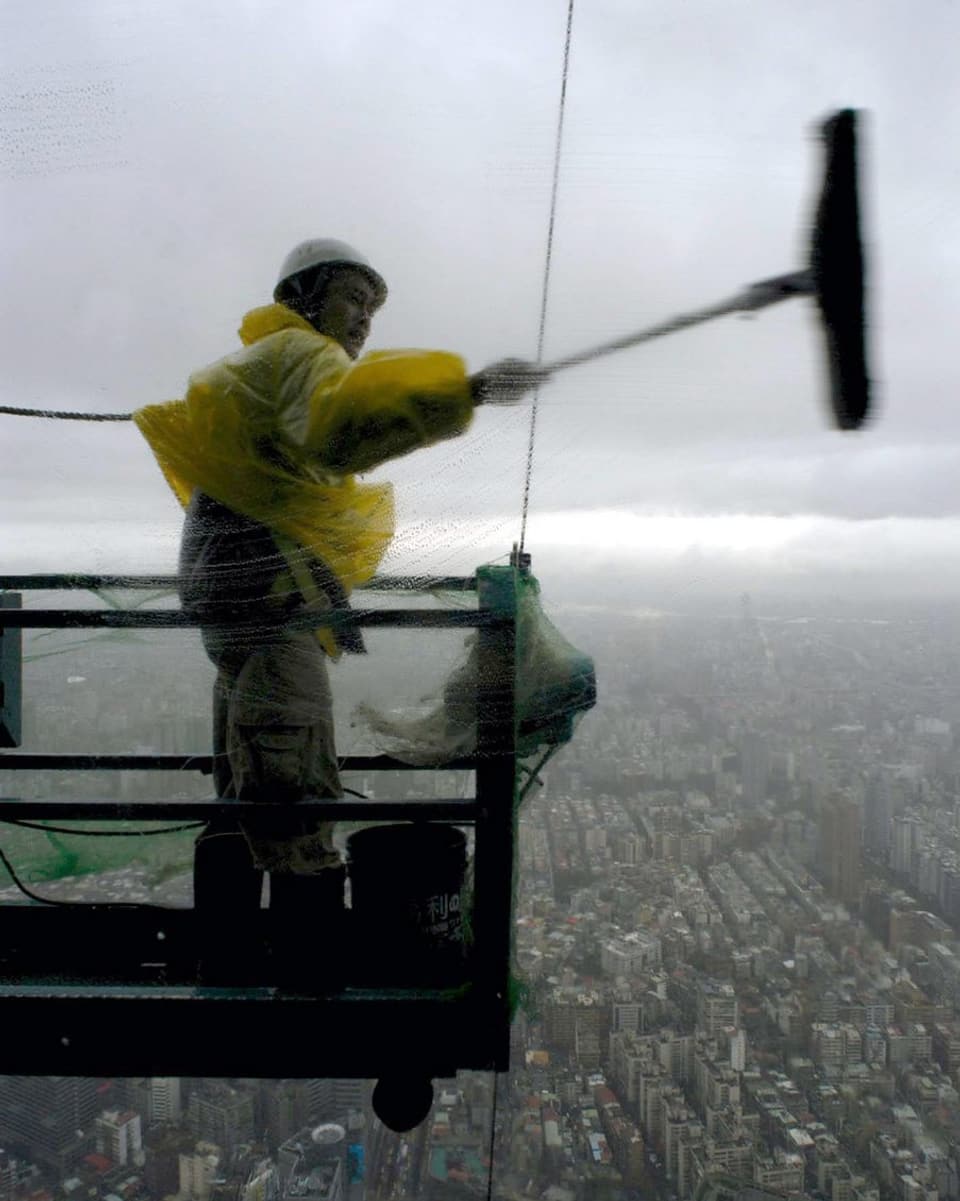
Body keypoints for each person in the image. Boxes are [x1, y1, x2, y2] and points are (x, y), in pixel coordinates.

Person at [133, 239, 545, 987]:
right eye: (352, 297)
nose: (363, 320)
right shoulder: (300, 358)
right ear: (304, 295)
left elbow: (287, 471)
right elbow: (348, 425)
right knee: (293, 798)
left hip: (238, 617)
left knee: (241, 796)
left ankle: (224, 961)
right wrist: (469, 391)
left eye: (372, 307)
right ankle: (306, 981)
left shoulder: (259, 364)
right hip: (273, 619)